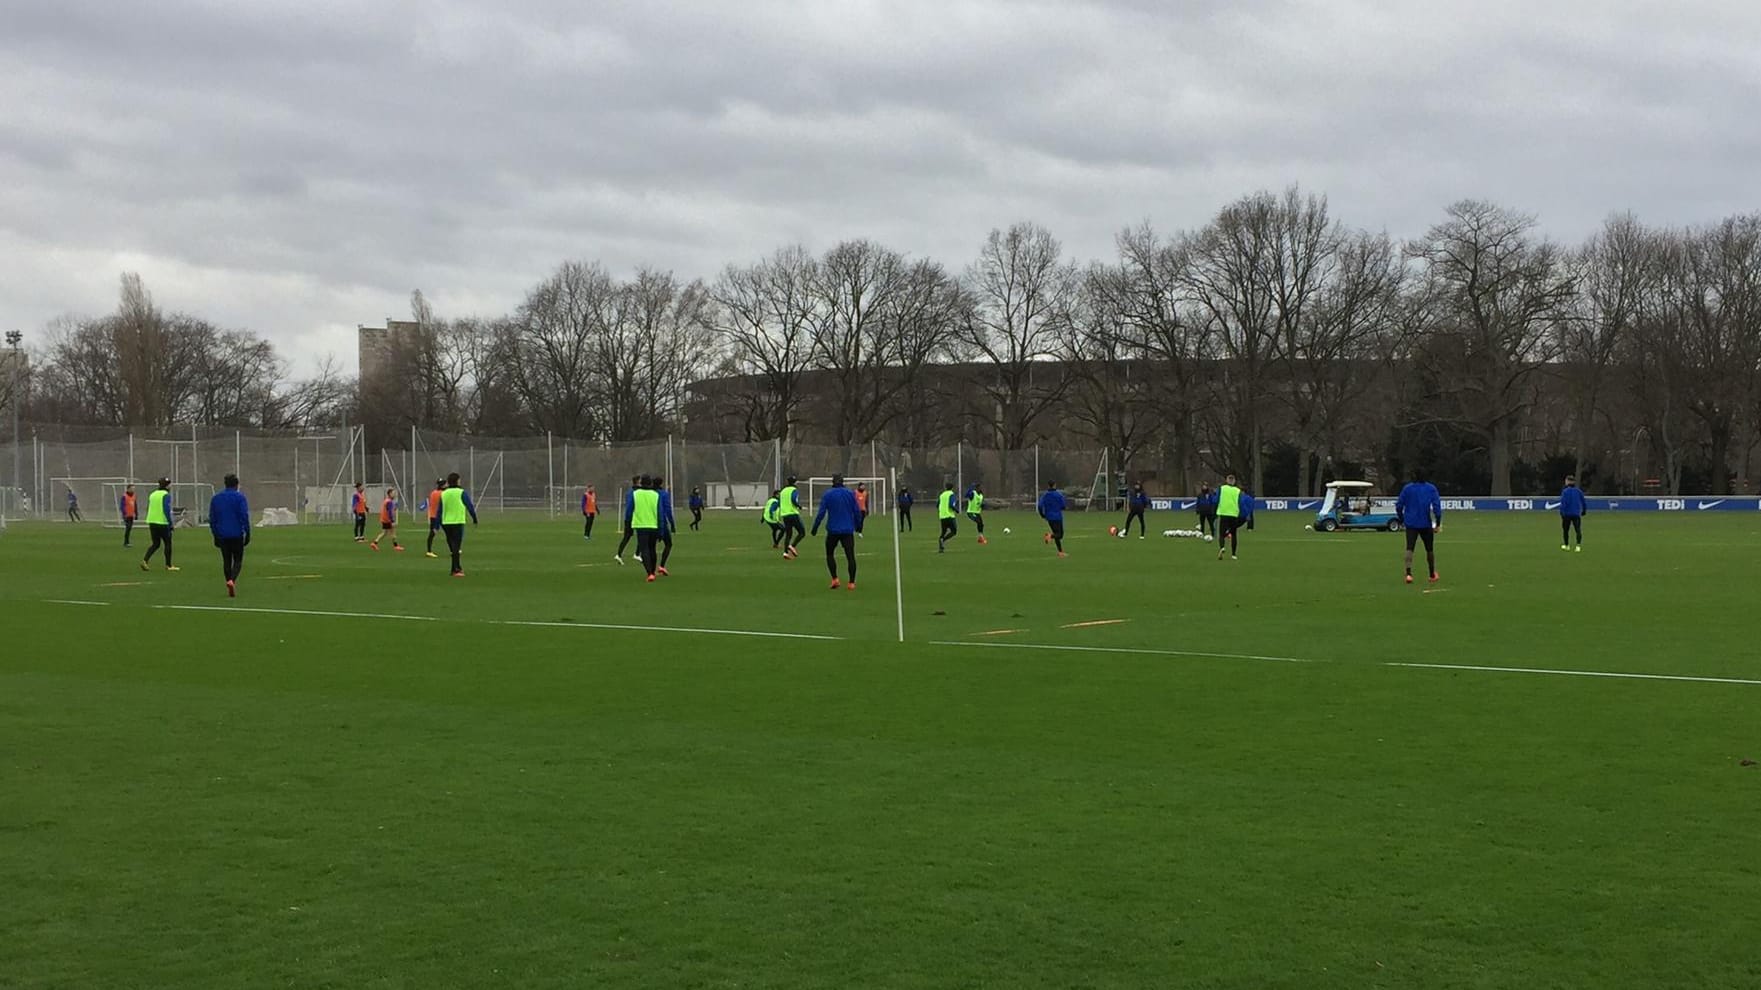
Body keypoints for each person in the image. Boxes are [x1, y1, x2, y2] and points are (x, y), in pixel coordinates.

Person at [811, 473, 862, 590]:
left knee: (830, 554)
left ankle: (835, 579)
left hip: (833, 530)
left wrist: (815, 528)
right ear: (843, 482)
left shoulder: (828, 494)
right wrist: (858, 526)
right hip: (847, 530)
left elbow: (821, 513)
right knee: (850, 556)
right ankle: (851, 583)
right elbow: (857, 512)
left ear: (832, 482)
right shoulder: (850, 494)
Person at [1395, 468, 1443, 584]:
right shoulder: (1431, 488)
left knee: (1409, 547)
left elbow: (1399, 505)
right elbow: (1437, 507)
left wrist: (1402, 519)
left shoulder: (1407, 489)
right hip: (1425, 523)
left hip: (1411, 523)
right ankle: (1431, 574)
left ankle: (1408, 574)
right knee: (1429, 549)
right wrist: (1437, 522)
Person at [208, 473, 250, 597]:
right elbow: (244, 516)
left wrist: (215, 534)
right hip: (236, 534)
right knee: (237, 560)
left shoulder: (216, 498)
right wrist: (248, 532)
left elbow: (212, 519)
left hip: (222, 535)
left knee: (226, 560)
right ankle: (232, 580)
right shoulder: (240, 498)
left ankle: (228, 582)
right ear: (237, 485)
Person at [438, 473, 479, 577]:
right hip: (457, 522)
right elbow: (469, 506)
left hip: (446, 523)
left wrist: (436, 525)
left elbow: (439, 510)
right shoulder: (461, 492)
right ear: (457, 481)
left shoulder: (444, 493)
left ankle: (453, 569)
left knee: (453, 547)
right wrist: (474, 518)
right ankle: (457, 569)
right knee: (456, 546)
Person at [625, 474, 663, 583]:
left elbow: (629, 510)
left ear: (641, 483)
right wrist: (661, 528)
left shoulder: (635, 494)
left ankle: (649, 573)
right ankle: (653, 571)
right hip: (653, 525)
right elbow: (660, 513)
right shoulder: (655, 495)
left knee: (644, 549)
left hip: (641, 526)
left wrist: (628, 524)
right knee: (652, 549)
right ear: (650, 483)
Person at [139, 478, 178, 572]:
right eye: (169, 485)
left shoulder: (152, 494)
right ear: (166, 486)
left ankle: (145, 560)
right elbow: (166, 510)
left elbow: (149, 507)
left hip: (152, 521)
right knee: (167, 543)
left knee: (156, 544)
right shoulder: (166, 495)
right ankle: (168, 565)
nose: (170, 486)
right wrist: (170, 523)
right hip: (162, 522)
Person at [1216, 473, 1245, 561]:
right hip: (1234, 514)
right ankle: (1233, 554)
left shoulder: (1222, 488)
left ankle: (1222, 547)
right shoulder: (1237, 491)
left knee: (1221, 534)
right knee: (1234, 534)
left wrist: (1215, 510)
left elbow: (1216, 499)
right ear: (1234, 481)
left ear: (1227, 480)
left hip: (1224, 513)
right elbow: (1241, 502)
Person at [613, 474, 640, 564]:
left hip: (630, 518)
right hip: (634, 518)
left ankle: (619, 555)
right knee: (641, 535)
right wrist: (630, 517)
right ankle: (636, 554)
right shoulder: (635, 492)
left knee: (627, 537)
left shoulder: (630, 492)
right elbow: (630, 506)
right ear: (638, 482)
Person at [778, 475, 806, 560]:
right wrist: (799, 506)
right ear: (794, 482)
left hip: (785, 514)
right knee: (802, 532)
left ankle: (785, 553)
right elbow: (794, 499)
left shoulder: (783, 491)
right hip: (793, 513)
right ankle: (792, 546)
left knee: (788, 534)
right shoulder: (794, 490)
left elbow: (780, 502)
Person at [1038, 479, 1068, 557]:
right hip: (1057, 517)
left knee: (1056, 534)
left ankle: (1060, 552)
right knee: (1060, 535)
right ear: (1054, 485)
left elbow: (1040, 506)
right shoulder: (1059, 495)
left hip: (1049, 517)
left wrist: (1042, 515)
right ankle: (1049, 536)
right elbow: (1063, 506)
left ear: (1048, 486)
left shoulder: (1044, 495)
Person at [370, 487, 403, 552]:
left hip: (384, 519)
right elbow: (389, 512)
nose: (394, 495)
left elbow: (388, 510)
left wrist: (395, 508)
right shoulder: (389, 502)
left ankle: (374, 543)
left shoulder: (386, 501)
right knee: (392, 532)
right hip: (388, 520)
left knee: (384, 533)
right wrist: (392, 520)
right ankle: (396, 546)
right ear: (389, 494)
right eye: (393, 493)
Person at [1558, 474, 1586, 551]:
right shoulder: (1578, 491)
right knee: (1578, 529)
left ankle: (1567, 545)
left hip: (1567, 514)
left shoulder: (1565, 492)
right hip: (1576, 514)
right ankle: (1578, 546)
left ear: (1567, 482)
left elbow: (1563, 503)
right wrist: (1584, 511)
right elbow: (1583, 502)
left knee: (1566, 530)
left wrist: (1561, 512)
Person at [655, 477, 677, 576]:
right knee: (668, 544)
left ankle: (651, 569)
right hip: (662, 523)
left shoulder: (650, 493)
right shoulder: (663, 494)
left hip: (650, 523)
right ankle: (662, 565)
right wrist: (672, 523)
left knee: (651, 546)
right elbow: (668, 510)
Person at [425, 479, 445, 558]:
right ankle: (454, 549)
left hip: (433, 516)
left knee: (432, 534)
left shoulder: (433, 493)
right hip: (439, 516)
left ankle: (429, 550)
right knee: (449, 533)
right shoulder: (442, 493)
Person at [937, 481, 958, 553]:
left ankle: (941, 547)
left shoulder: (942, 495)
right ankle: (944, 540)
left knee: (943, 532)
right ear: (952, 488)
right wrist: (956, 510)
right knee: (954, 531)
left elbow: (937, 505)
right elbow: (951, 505)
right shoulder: (951, 494)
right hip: (950, 516)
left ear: (945, 488)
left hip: (942, 516)